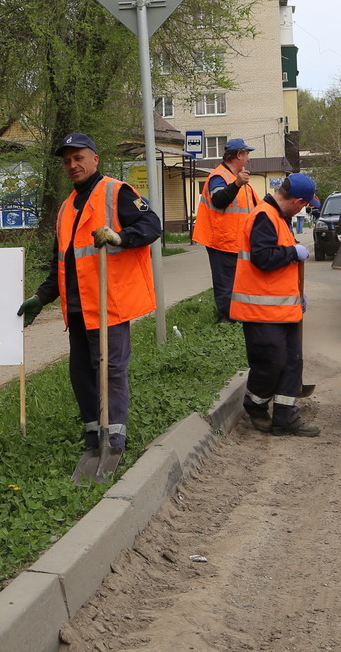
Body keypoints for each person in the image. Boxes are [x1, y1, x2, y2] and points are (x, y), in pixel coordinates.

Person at [16, 133, 160, 459]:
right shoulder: (67, 207)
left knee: (110, 369)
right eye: (67, 161)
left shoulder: (116, 192)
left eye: (78, 157)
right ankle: (94, 435)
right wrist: (42, 296)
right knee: (81, 371)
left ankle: (115, 439)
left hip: (109, 304)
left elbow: (152, 225)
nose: (73, 165)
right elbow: (63, 262)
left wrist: (120, 238)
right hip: (78, 307)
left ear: (95, 158)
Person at [231, 173, 322, 437]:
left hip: (283, 308)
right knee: (271, 363)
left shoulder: (279, 218)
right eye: (305, 204)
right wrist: (293, 252)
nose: (304, 208)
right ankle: (256, 406)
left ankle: (285, 417)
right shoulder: (264, 216)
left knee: (292, 362)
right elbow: (263, 258)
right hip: (260, 311)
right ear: (296, 201)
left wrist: (297, 294)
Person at [192, 138, 259, 323]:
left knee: (237, 283)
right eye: (247, 155)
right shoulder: (220, 177)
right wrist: (236, 184)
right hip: (221, 242)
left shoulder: (239, 180)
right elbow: (219, 199)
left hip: (235, 241)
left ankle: (237, 317)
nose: (249, 159)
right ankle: (226, 321)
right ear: (238, 155)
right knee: (225, 285)